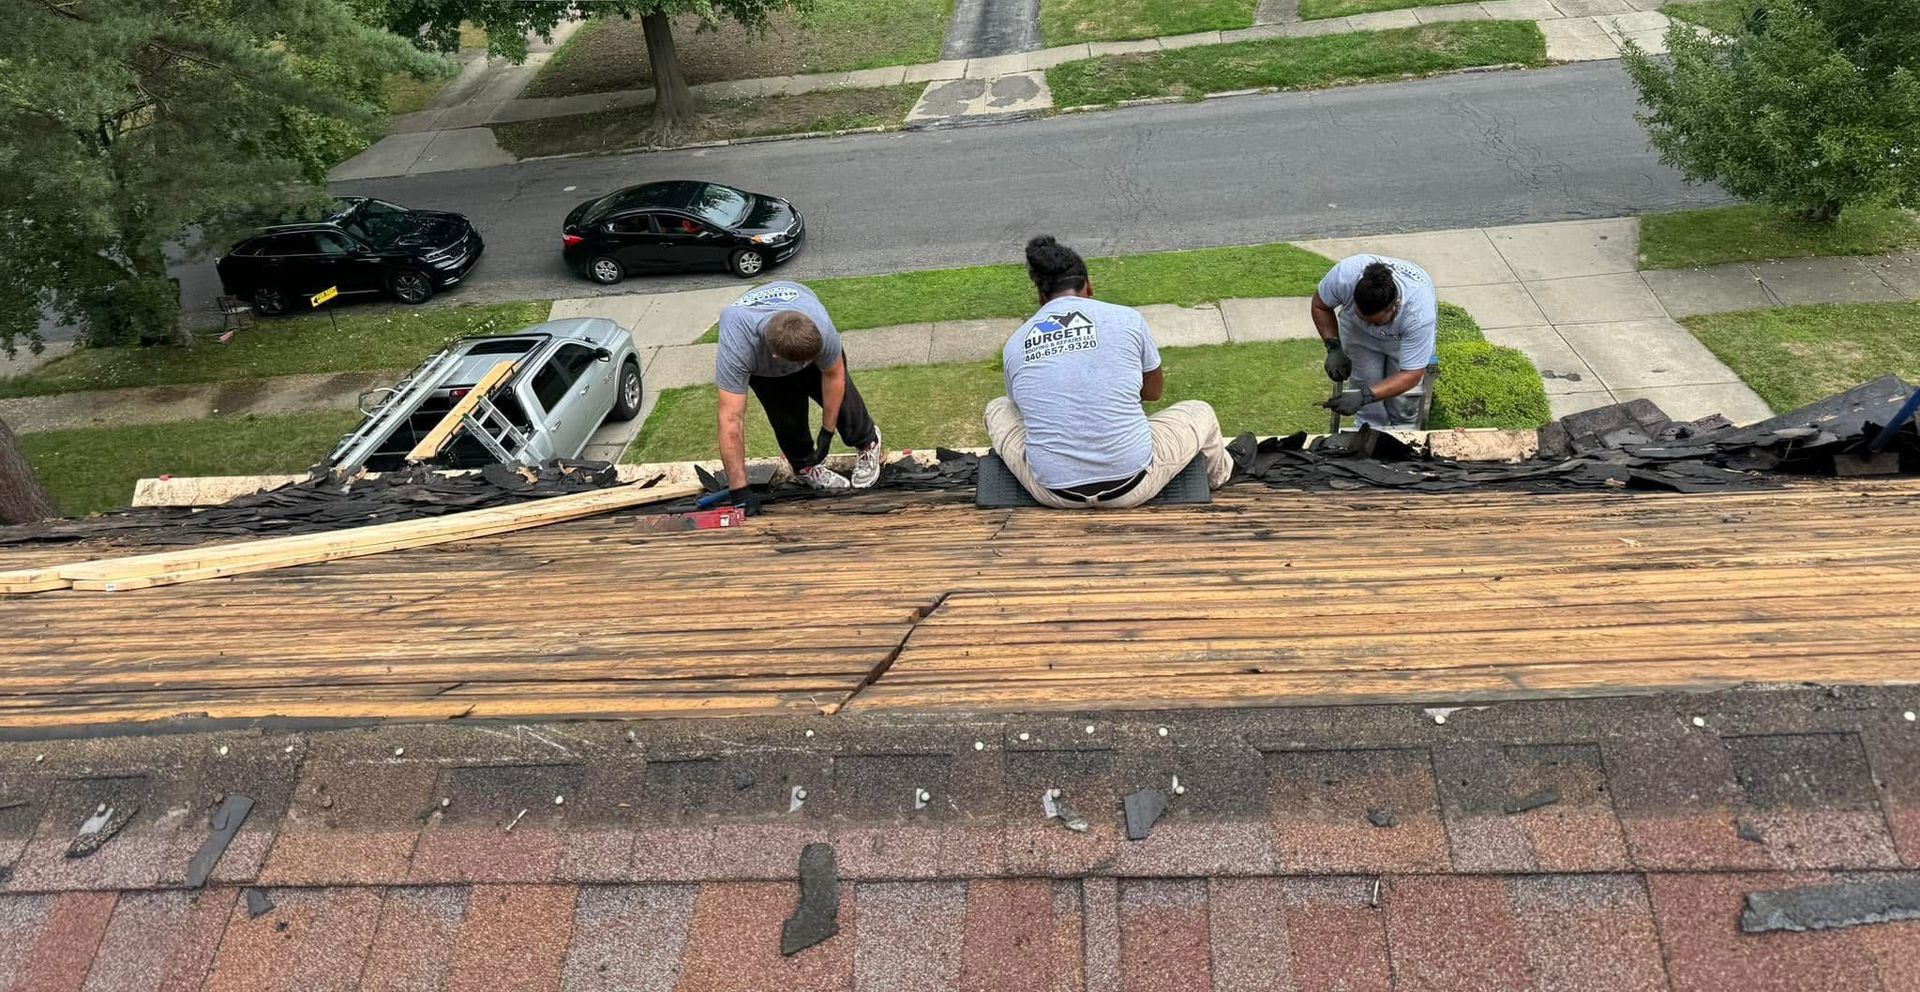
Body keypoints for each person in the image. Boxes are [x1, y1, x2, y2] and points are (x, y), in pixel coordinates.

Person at [984, 236, 1234, 509]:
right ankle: (1219, 477)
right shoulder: (1128, 319)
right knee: (1201, 411)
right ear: (1089, 287)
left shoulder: (1015, 344)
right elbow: (1153, 393)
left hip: (1053, 493)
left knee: (997, 408)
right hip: (1133, 485)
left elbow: (1021, 408)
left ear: (1041, 297)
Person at [709, 281, 883, 514]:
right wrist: (739, 490)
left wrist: (827, 431)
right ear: (774, 356)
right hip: (766, 370)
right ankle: (805, 466)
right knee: (786, 418)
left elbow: (833, 376)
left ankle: (867, 441)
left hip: (801, 341)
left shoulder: (819, 328)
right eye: (799, 364)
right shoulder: (739, 345)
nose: (803, 368)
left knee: (846, 404)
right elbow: (731, 419)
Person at [1310, 254, 1439, 429]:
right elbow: (1320, 306)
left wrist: (1366, 396)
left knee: (1403, 401)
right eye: (1363, 317)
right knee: (1365, 385)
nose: (1370, 326)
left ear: (1395, 306)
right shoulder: (1345, 276)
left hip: (1400, 339)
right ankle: (1367, 430)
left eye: (1375, 322)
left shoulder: (1418, 314)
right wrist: (1333, 347)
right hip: (1357, 335)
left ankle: (1403, 431)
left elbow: (1411, 374)